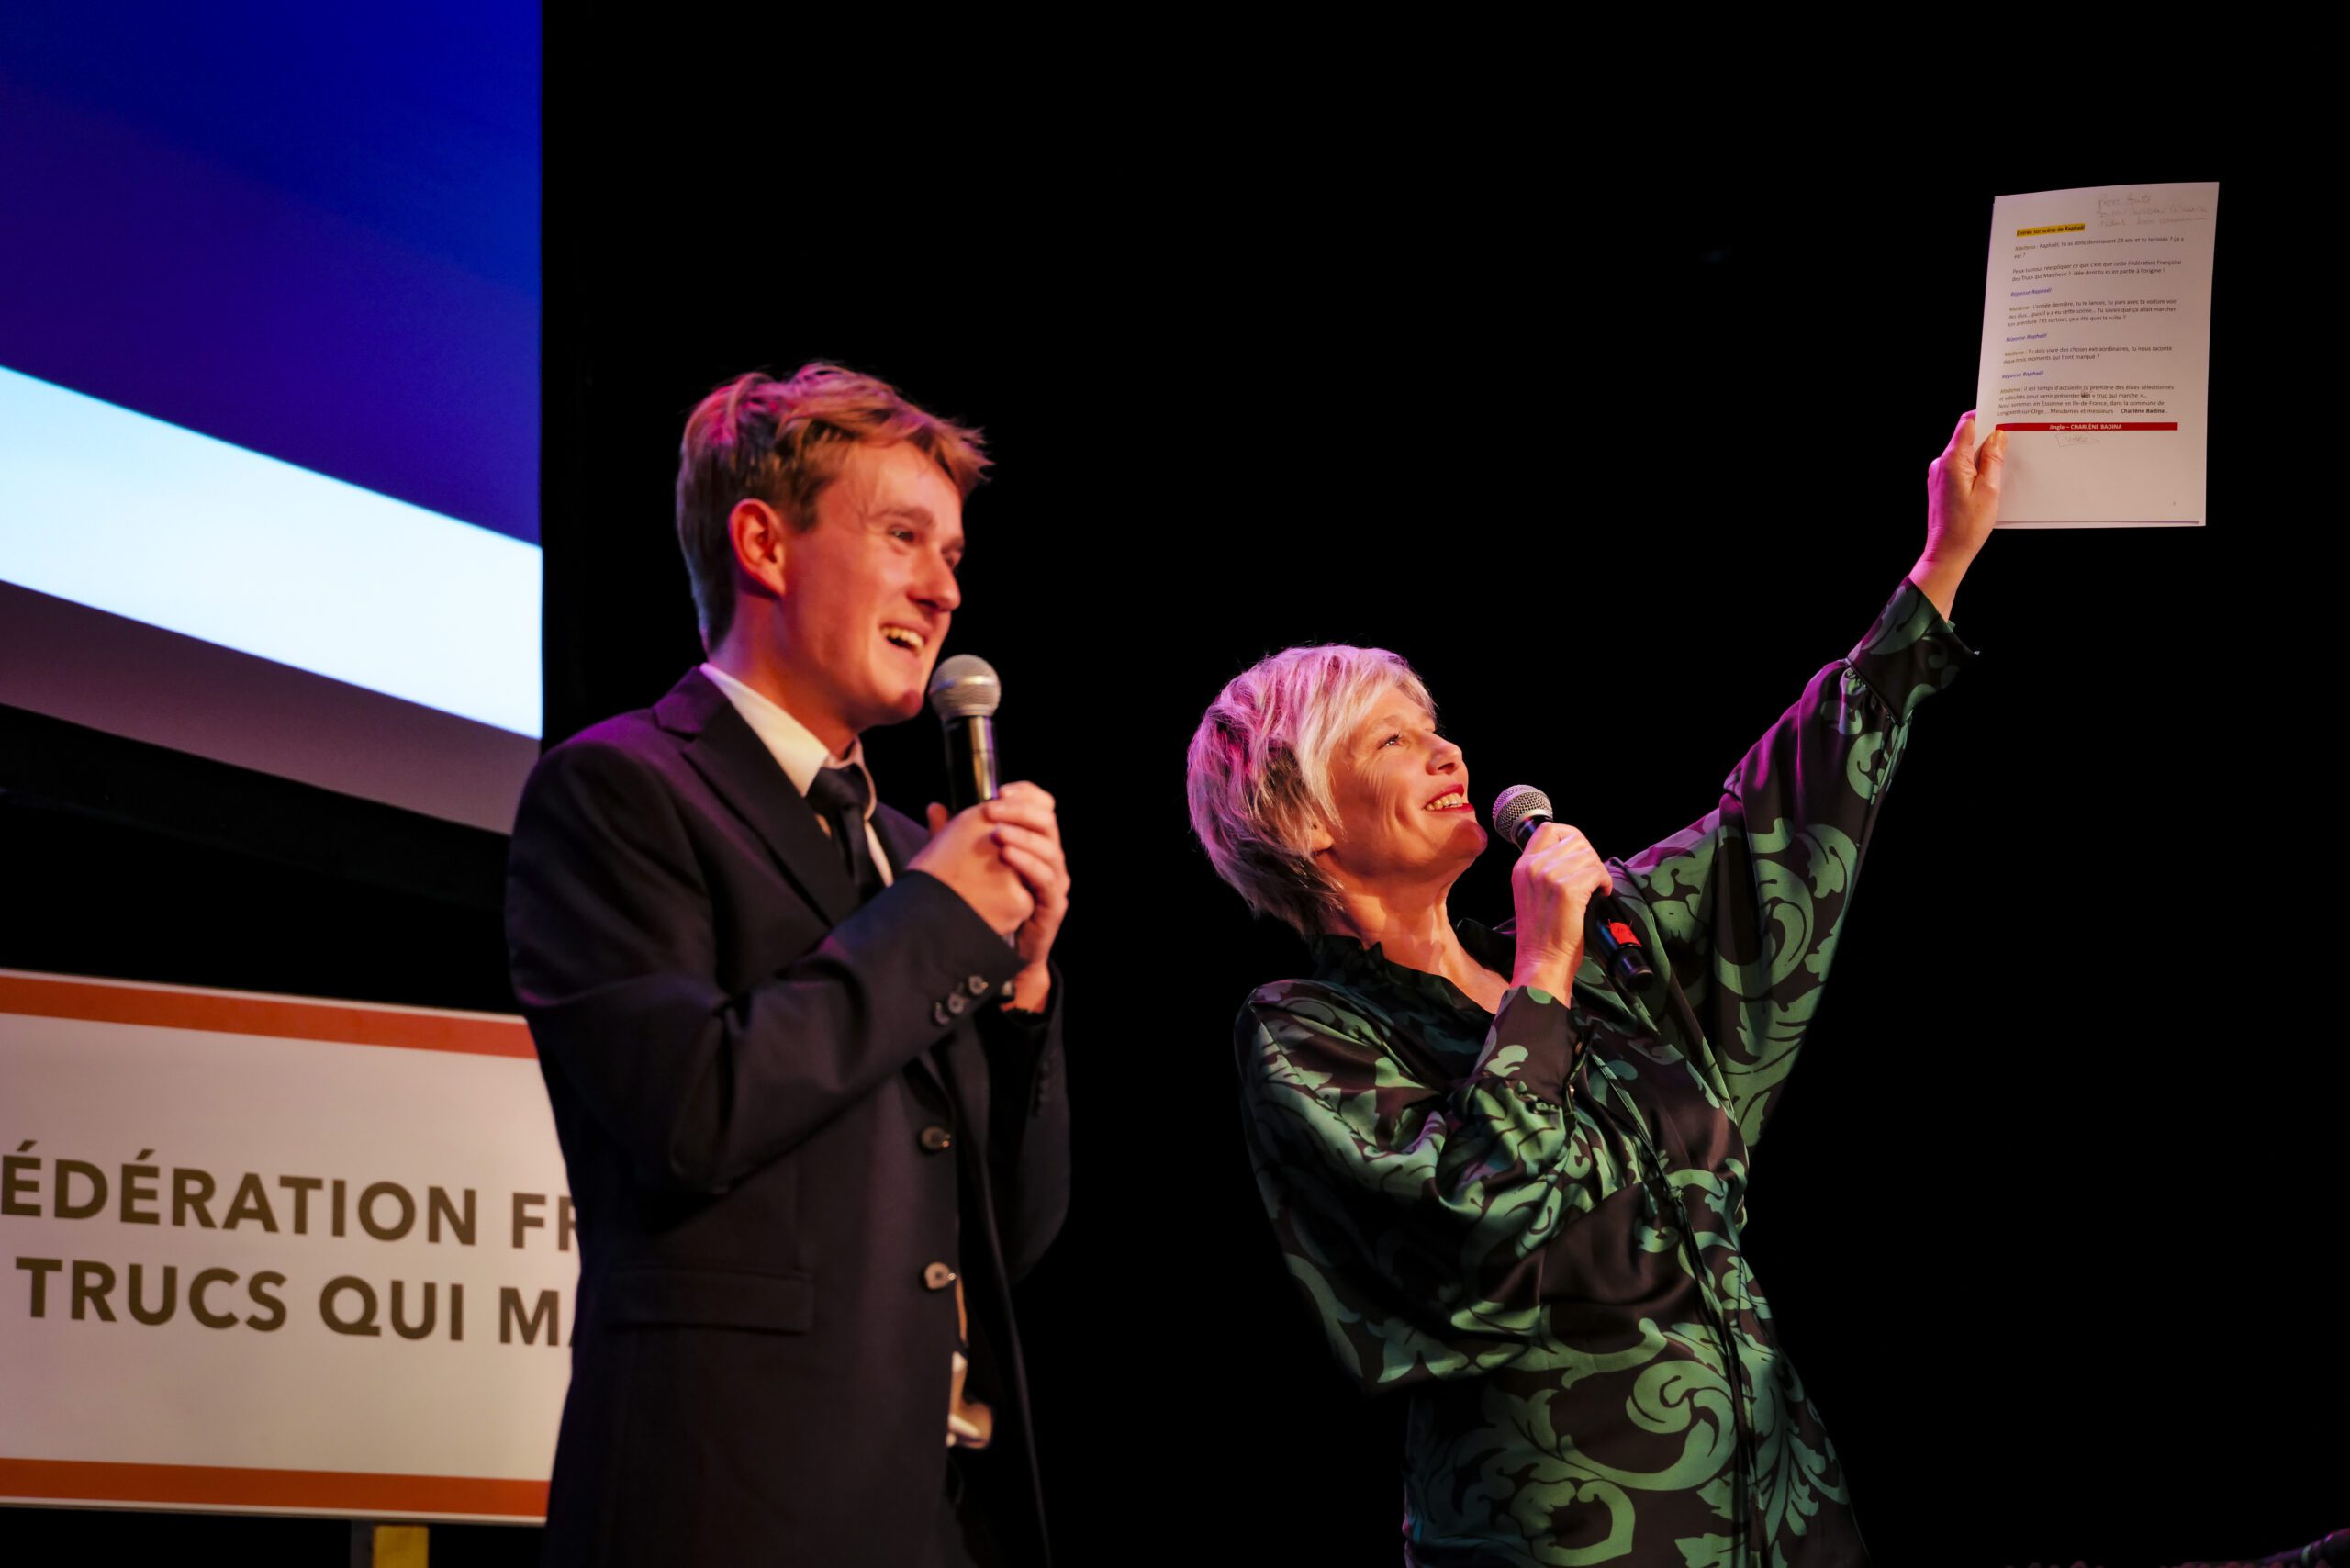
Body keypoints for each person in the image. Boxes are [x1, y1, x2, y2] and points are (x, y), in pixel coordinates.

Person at [1183, 412, 2003, 1565]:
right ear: (1305, 819)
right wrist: (1542, 971)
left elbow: (1771, 827)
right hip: (1569, 1535)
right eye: (1389, 743)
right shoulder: (1310, 1032)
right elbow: (1480, 1228)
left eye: (1436, 728)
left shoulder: (1606, 948)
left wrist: (1940, 566)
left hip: (1779, 1505)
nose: (1446, 753)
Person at [507, 364, 1072, 1568]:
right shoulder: (623, 791)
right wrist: (931, 919)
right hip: (730, 1505)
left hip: (935, 1515)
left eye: (955, 553)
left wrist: (1022, 987)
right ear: (764, 542)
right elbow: (686, 1111)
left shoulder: (911, 854)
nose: (943, 587)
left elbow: (1005, 1236)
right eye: (904, 537)